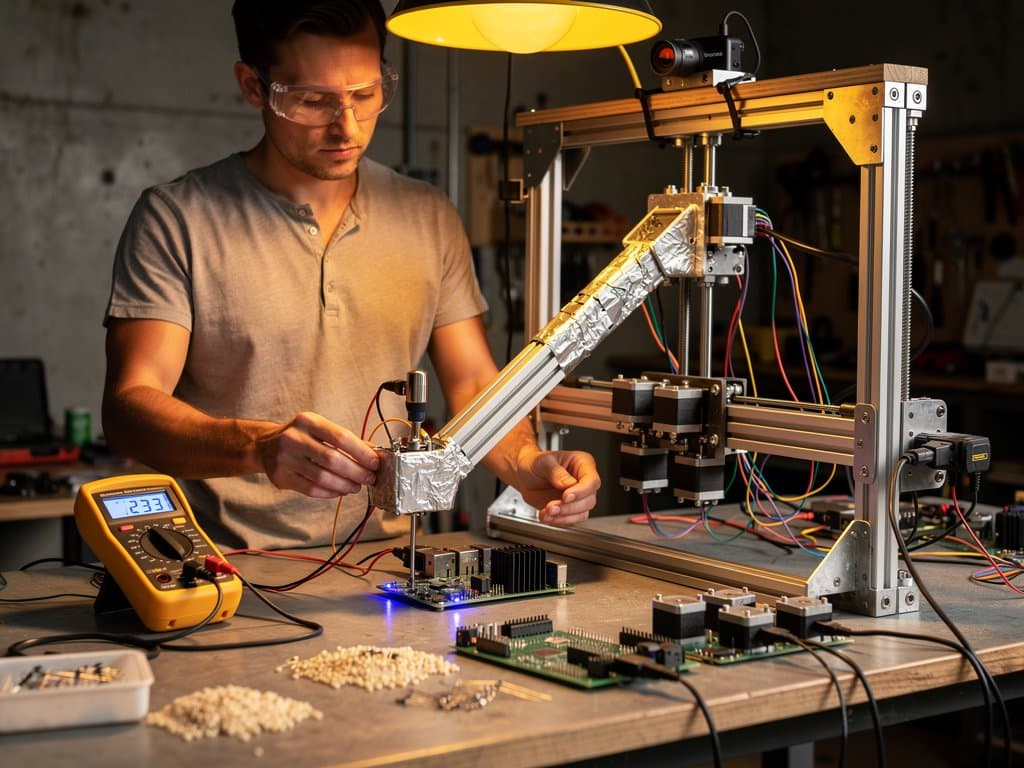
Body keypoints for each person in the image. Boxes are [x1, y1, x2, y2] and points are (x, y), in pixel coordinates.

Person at [101, 0, 600, 550]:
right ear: (252, 85)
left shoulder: (427, 214)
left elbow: (475, 385)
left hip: (384, 569)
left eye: (365, 95)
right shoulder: (178, 218)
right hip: (229, 567)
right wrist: (260, 447)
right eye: (313, 101)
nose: (347, 127)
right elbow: (131, 408)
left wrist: (527, 464)